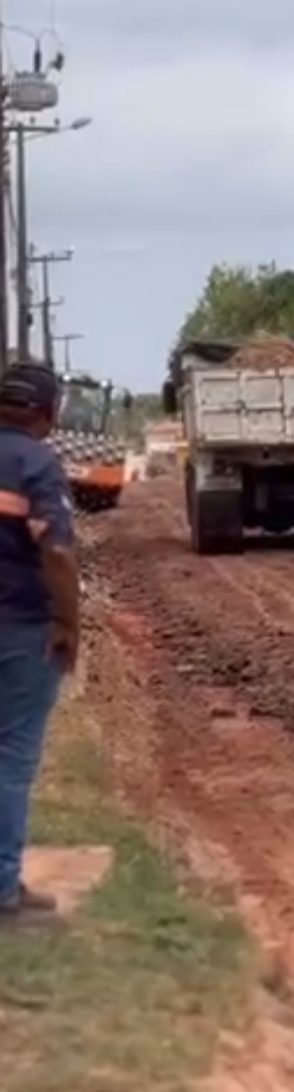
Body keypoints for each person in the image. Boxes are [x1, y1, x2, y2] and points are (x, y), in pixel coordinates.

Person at [0, 358, 80, 923]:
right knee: (11, 757)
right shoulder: (36, 464)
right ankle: (3, 889)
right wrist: (68, 624)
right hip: (20, 627)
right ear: (47, 415)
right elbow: (55, 551)